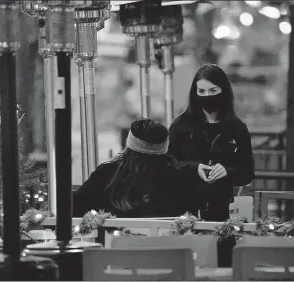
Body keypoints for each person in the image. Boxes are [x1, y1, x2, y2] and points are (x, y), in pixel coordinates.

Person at [168, 64, 255, 221]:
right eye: (201, 91)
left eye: (213, 91)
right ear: (195, 93)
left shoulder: (237, 128)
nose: (207, 96)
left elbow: (247, 172)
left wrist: (227, 171)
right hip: (184, 211)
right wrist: (194, 168)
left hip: (220, 212)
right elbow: (168, 163)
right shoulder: (180, 126)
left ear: (224, 91)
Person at [73, 118, 202, 218]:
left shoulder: (108, 174)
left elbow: (76, 206)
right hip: (169, 246)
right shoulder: (178, 175)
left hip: (116, 247)